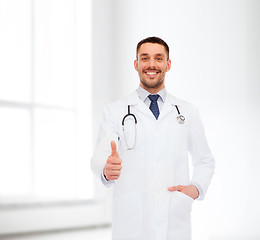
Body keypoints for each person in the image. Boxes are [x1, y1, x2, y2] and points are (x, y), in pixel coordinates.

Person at [91, 36, 215, 240]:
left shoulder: (187, 111)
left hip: (174, 216)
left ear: (168, 64)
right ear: (136, 64)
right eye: (144, 58)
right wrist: (106, 168)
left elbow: (205, 160)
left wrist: (196, 188)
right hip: (132, 219)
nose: (151, 64)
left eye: (158, 58)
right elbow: (99, 156)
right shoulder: (115, 111)